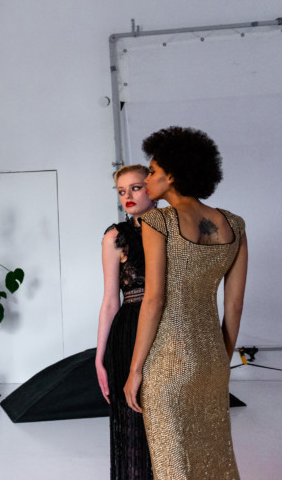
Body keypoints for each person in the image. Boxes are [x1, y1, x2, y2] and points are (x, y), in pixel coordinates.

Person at [124, 127, 248, 479]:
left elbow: (154, 300)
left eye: (151, 172)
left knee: (173, 465)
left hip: (169, 362)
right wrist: (221, 359)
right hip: (212, 357)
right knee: (214, 459)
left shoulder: (158, 221)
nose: (146, 180)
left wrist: (135, 371)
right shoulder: (235, 225)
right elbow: (235, 305)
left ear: (173, 175)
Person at [95, 165, 155, 480]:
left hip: (167, 328)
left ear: (153, 188)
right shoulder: (115, 237)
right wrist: (99, 356)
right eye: (121, 191)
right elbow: (109, 301)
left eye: (135, 187)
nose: (127, 196)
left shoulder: (175, 227)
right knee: (133, 421)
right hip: (128, 333)